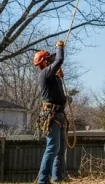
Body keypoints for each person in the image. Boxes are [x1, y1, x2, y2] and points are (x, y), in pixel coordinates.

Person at [34, 40, 67, 184]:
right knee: (53, 147)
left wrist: (60, 80)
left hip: (59, 113)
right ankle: (42, 180)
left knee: (60, 149)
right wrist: (59, 47)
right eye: (49, 59)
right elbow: (59, 59)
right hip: (51, 115)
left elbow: (59, 97)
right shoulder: (45, 74)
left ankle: (57, 178)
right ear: (45, 62)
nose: (52, 60)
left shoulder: (52, 77)